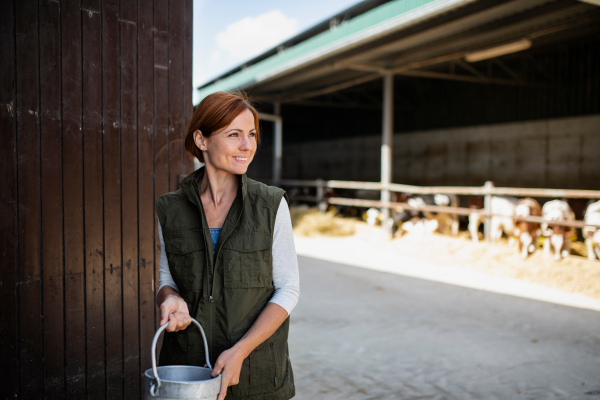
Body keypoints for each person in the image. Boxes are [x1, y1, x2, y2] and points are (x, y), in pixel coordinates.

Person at [155, 91, 300, 400]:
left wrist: (241, 351)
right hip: (187, 368)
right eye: (234, 134)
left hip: (256, 372)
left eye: (251, 135)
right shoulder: (169, 209)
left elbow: (288, 288)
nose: (247, 145)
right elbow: (166, 279)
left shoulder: (271, 204)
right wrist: (170, 299)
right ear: (202, 139)